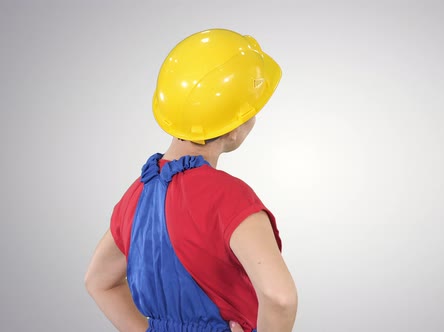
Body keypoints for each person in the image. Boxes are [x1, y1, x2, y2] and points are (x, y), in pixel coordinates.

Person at [85, 28, 298, 332]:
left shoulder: (137, 195)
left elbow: (97, 281)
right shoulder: (229, 198)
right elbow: (280, 298)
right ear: (234, 128)